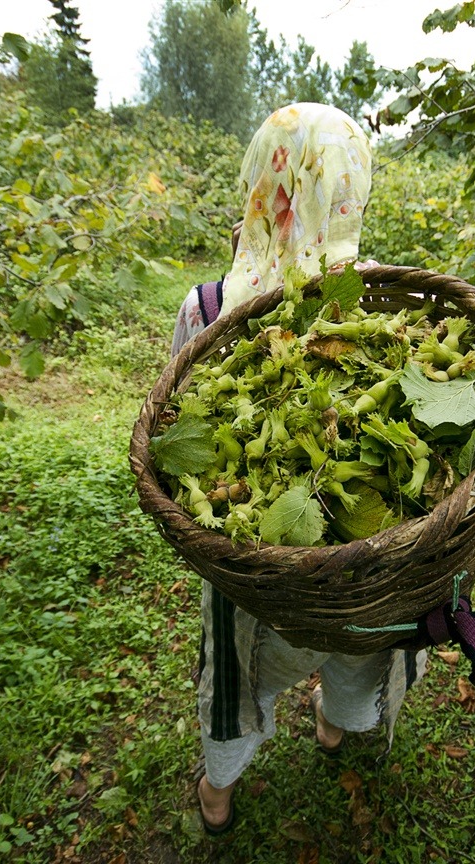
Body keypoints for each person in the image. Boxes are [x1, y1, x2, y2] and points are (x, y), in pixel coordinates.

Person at [169, 103, 427, 836]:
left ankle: (217, 795)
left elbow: (173, 419)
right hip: (363, 567)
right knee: (358, 651)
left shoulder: (211, 305)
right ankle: (335, 729)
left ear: (259, 182)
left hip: (251, 566)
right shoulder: (379, 298)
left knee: (237, 671)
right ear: (353, 190)